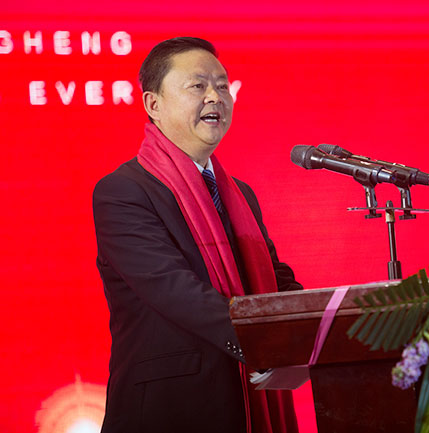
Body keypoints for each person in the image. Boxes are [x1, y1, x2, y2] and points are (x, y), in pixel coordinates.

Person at [92, 37, 301, 433]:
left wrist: (313, 326)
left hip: (248, 399)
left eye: (222, 85)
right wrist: (267, 345)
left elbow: (274, 279)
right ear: (153, 104)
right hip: (169, 408)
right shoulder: (123, 191)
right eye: (198, 85)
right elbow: (175, 290)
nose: (215, 97)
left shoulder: (239, 194)